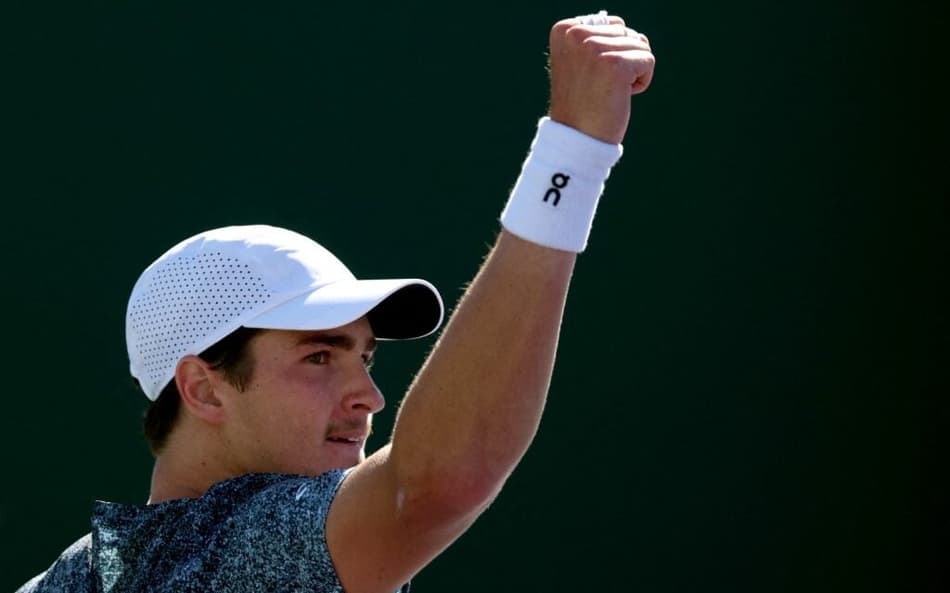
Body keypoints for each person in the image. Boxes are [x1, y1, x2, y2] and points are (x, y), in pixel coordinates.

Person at [17, 10, 656, 593]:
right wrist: (575, 149)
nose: (370, 398)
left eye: (365, 359)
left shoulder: (70, 579)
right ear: (204, 390)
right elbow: (431, 486)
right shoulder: (244, 548)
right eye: (319, 357)